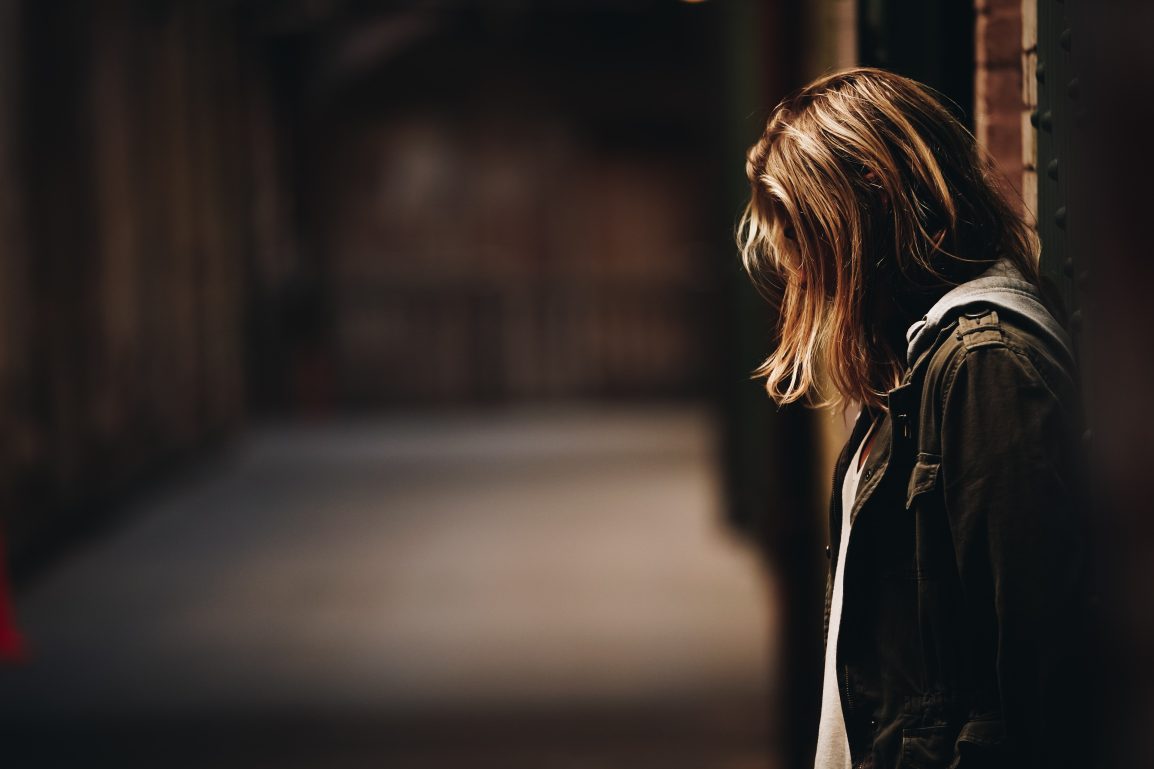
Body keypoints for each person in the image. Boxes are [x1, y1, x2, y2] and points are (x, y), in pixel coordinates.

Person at [736, 67, 1100, 769]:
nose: (803, 273)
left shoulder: (983, 365)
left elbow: (1036, 681)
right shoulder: (922, 361)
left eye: (807, 234)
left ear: (873, 191)